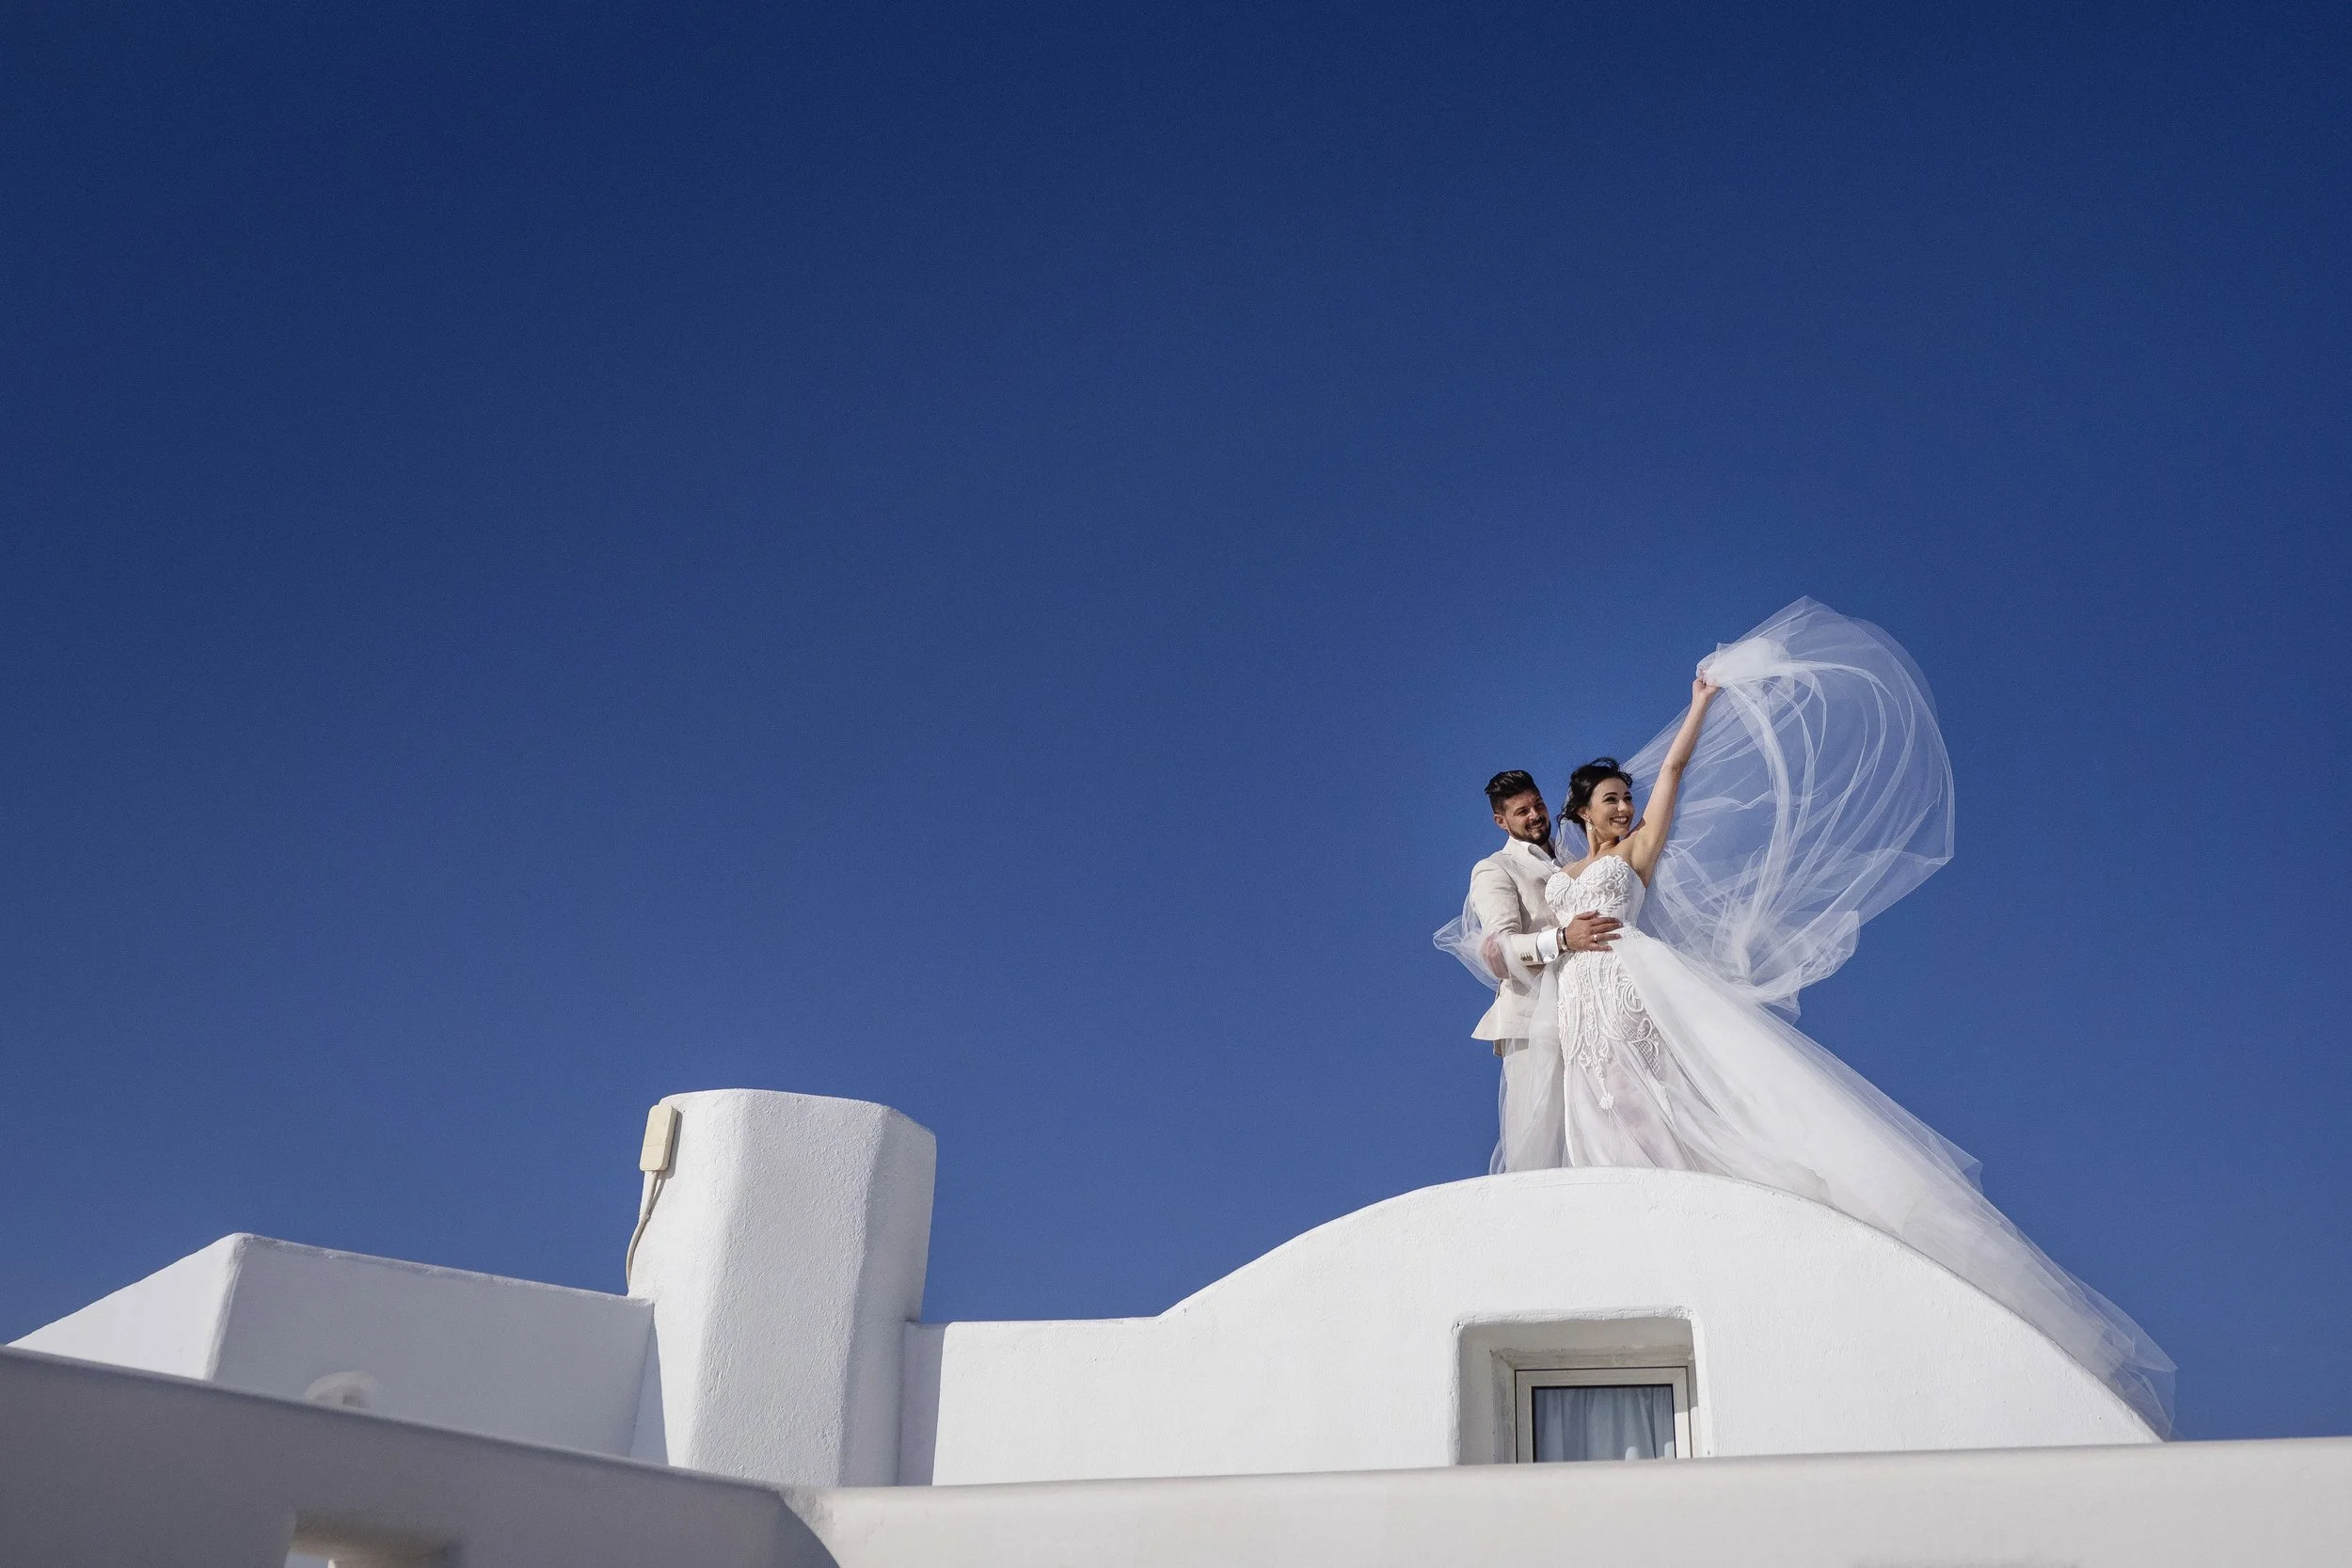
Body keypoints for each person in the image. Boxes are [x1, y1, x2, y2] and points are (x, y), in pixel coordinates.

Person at [1441, 599, 2176, 1434]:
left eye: (1622, 796)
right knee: (1591, 1110)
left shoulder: (1638, 848)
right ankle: (1623, 1241)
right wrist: (1556, 933)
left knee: (1649, 1103)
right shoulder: (1548, 871)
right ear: (1561, 814)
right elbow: (1504, 946)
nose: (1620, 805)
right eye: (1607, 798)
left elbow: (1675, 777)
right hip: (1573, 1008)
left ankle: (1680, 1218)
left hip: (1630, 991)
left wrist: (1703, 703)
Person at [1450, 771, 1626, 1163]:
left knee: (1600, 1129)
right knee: (1539, 1141)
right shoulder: (1495, 868)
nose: (1535, 816)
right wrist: (1563, 939)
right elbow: (1496, 951)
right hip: (1531, 1023)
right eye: (1521, 811)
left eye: (1538, 805)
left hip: (1586, 1011)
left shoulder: (1572, 859)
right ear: (1501, 821)